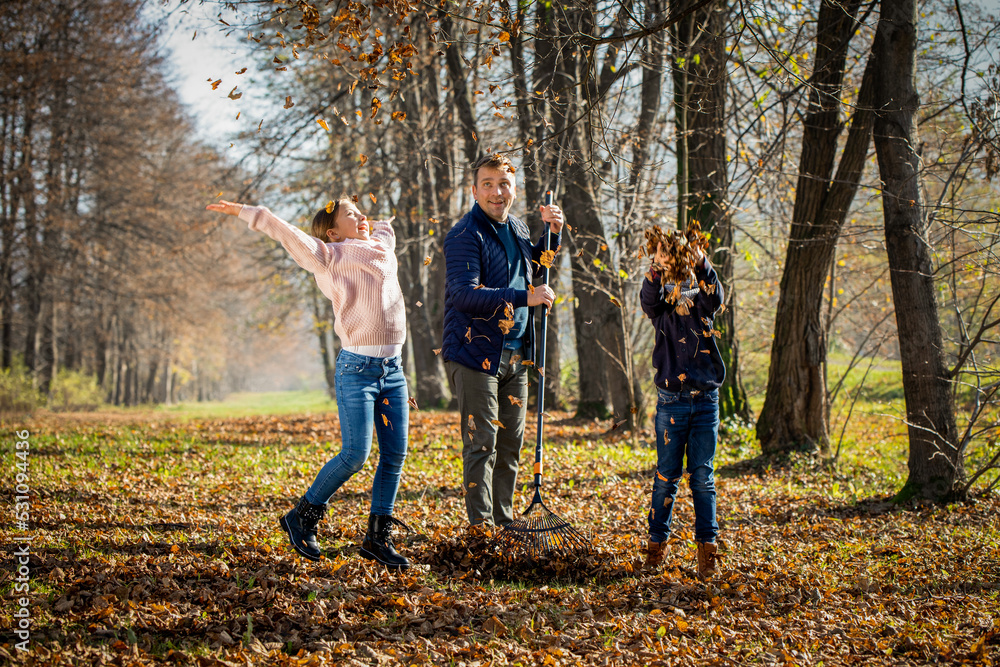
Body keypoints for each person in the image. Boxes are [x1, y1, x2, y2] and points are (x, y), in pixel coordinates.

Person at [206, 197, 411, 569]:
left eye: (360, 211)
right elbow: (286, 232)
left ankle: (377, 538)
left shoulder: (382, 245)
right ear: (332, 231)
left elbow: (383, 223)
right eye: (350, 214)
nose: (361, 216)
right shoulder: (328, 255)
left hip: (393, 370)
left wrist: (371, 220)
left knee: (395, 455)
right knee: (355, 455)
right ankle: (303, 515)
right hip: (358, 370)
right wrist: (248, 212)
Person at [442, 153, 564, 526]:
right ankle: (482, 532)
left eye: (504, 184)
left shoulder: (519, 229)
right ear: (474, 190)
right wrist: (522, 297)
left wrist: (553, 234)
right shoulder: (465, 235)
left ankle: (505, 523)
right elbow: (464, 294)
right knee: (482, 446)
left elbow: (537, 270)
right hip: (475, 353)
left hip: (517, 356)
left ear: (514, 188)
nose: (497, 192)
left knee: (510, 446)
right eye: (489, 184)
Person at [639, 239, 725, 580]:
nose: (680, 271)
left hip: (705, 401)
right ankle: (656, 546)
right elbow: (649, 300)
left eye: (684, 265)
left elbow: (714, 295)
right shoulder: (661, 306)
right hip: (670, 402)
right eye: (670, 266)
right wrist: (656, 269)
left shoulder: (703, 301)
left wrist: (702, 261)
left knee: (702, 478)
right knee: (665, 478)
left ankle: (708, 551)